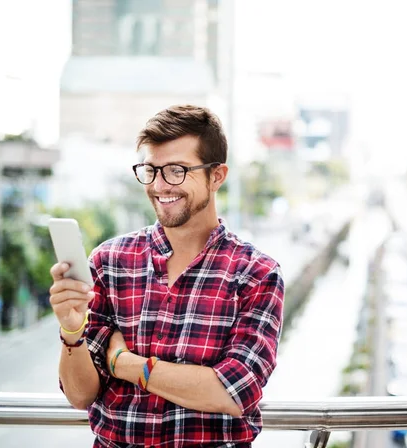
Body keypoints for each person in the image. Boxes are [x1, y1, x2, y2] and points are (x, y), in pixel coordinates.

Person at [49, 105, 285, 447]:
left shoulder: (256, 273)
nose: (160, 186)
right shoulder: (108, 262)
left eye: (176, 170)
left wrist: (124, 363)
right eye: (150, 170)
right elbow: (80, 396)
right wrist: (71, 331)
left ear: (217, 176)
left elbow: (234, 392)